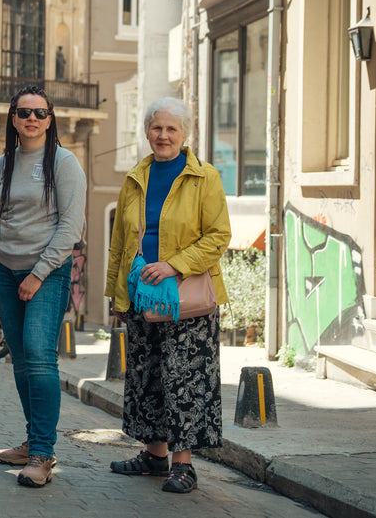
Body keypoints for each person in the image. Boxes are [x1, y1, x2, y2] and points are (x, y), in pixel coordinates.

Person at [105, 97, 231, 494]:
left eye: (171, 129)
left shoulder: (204, 177)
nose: (163, 135)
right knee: (147, 377)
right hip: (143, 294)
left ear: (185, 134)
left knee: (186, 377)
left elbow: (218, 236)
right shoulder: (135, 177)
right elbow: (120, 243)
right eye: (157, 128)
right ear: (147, 132)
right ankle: (154, 455)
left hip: (186, 295)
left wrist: (174, 265)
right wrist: (116, 295)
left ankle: (184, 465)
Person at [0, 85, 87, 488]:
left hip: (47, 273)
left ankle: (42, 453)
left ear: (50, 119)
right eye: (24, 113)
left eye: (40, 113)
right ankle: (31, 441)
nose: (32, 119)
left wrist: (38, 274)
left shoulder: (65, 163)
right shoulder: (4, 163)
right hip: (5, 270)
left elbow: (70, 227)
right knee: (20, 362)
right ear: (14, 118)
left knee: (40, 358)